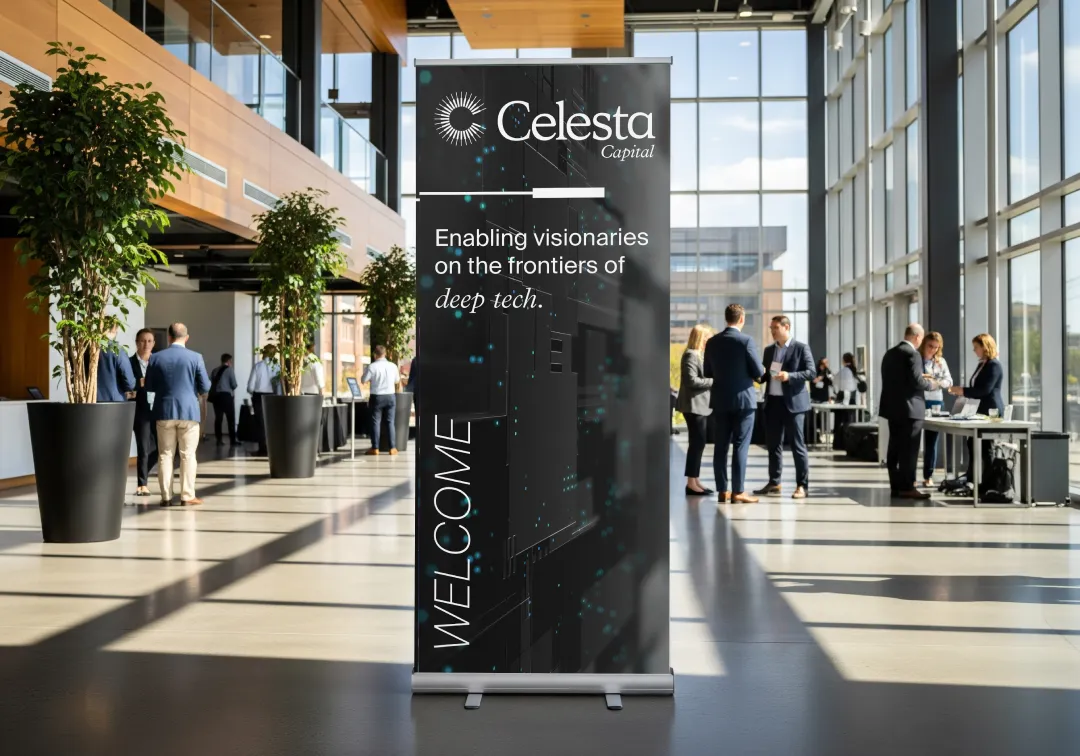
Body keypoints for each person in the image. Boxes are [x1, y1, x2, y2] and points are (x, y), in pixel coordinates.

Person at [703, 304, 765, 504]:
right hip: (744, 401)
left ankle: (722, 490)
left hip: (720, 400)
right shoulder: (746, 341)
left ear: (726, 318)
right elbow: (758, 371)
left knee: (720, 447)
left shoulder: (712, 342)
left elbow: (707, 372)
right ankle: (738, 491)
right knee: (740, 446)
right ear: (741, 319)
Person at [144, 323, 211, 506]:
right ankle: (187, 496)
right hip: (189, 412)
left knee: (165, 454)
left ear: (169, 337)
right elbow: (205, 387)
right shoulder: (196, 358)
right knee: (187, 455)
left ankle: (166, 497)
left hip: (164, 411)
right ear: (186, 337)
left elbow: (149, 386)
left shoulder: (156, 358)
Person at [756, 315, 815, 499]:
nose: (772, 331)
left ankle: (802, 486)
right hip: (773, 402)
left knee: (798, 446)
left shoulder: (801, 348)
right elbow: (766, 375)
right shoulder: (768, 351)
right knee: (773, 446)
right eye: (771, 328)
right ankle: (774, 482)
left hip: (793, 404)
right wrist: (755, 376)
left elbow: (811, 372)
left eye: (775, 328)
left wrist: (790, 376)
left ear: (786, 327)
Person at [879, 324, 938, 499]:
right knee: (909, 451)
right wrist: (932, 384)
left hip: (893, 409)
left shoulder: (889, 353)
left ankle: (896, 486)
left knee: (895, 448)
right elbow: (916, 382)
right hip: (911, 410)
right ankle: (908, 487)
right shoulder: (913, 354)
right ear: (918, 337)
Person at [948, 333, 1005, 484]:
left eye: (976, 347)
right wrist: (963, 393)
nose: (974, 351)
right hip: (979, 409)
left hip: (991, 410)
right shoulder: (982, 364)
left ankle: (988, 483)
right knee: (972, 443)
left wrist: (963, 391)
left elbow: (985, 389)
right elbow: (977, 388)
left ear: (985, 347)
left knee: (986, 447)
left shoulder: (994, 365)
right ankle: (972, 478)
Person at [675, 324, 714, 496]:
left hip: (699, 406)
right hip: (694, 407)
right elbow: (692, 381)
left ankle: (695, 480)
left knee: (698, 444)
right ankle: (691, 483)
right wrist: (713, 381)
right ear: (700, 338)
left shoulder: (699, 355)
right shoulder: (691, 355)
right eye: (707, 339)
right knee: (696, 444)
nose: (709, 342)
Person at [920, 331, 953, 487]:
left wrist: (936, 381)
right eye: (930, 346)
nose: (932, 350)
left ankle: (928, 475)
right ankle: (909, 476)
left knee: (931, 441)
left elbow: (948, 381)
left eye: (935, 347)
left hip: (936, 402)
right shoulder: (916, 360)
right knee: (912, 440)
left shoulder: (941, 362)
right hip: (919, 401)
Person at [129, 328, 157, 496]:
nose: (146, 344)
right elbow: (125, 386)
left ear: (153, 343)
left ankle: (144, 473)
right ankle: (142, 484)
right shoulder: (129, 362)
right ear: (137, 342)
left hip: (158, 409)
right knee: (143, 447)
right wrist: (137, 384)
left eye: (149, 341)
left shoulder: (158, 362)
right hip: (140, 410)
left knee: (162, 447)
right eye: (142, 341)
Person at [362, 345, 401, 456]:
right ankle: (392, 448)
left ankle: (375, 448)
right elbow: (397, 380)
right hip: (390, 396)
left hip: (377, 396)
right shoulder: (393, 366)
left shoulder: (372, 367)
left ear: (375, 354)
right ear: (385, 354)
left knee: (375, 422)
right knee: (390, 422)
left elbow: (363, 380)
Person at [247, 344, 280, 455]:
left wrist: (253, 391)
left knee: (260, 423)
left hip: (259, 397)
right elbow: (279, 385)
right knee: (271, 423)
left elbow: (250, 387)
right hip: (273, 397)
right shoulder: (277, 367)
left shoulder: (258, 366)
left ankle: (262, 448)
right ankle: (272, 448)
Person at [96, 324, 136, 403]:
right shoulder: (117, 350)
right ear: (114, 331)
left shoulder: (86, 349)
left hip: (88, 400)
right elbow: (129, 383)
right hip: (114, 402)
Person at [832, 352, 860, 451]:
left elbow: (835, 383)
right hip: (852, 400)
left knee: (840, 422)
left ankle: (840, 444)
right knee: (850, 422)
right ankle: (850, 443)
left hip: (842, 399)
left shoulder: (843, 371)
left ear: (843, 360)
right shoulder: (854, 371)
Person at [209, 353, 238, 446]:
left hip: (216, 397)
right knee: (230, 419)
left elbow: (210, 383)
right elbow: (234, 384)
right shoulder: (229, 370)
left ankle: (219, 440)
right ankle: (233, 441)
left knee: (218, 419)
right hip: (226, 396)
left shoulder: (214, 370)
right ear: (229, 361)